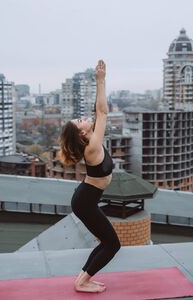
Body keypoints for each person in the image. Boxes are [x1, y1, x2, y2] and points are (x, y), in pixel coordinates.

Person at [58, 60, 120, 293]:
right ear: (82, 133)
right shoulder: (92, 147)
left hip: (86, 199)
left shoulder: (91, 138)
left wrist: (101, 82)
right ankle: (81, 282)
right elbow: (102, 111)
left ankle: (83, 277)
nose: (83, 118)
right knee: (113, 244)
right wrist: (100, 80)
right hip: (84, 203)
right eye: (79, 121)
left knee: (107, 242)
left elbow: (99, 112)